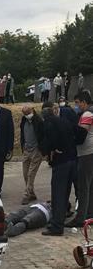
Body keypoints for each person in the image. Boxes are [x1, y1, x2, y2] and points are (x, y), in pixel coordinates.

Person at [40, 102, 77, 236]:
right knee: (65, 192)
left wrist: (52, 150)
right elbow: (78, 134)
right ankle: (60, 218)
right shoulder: (65, 121)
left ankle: (56, 226)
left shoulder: (49, 124)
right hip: (72, 160)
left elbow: (49, 141)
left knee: (58, 194)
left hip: (60, 162)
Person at [66, 92, 93, 227]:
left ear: (83, 102)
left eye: (77, 102)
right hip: (90, 152)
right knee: (90, 186)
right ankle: (89, 215)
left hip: (86, 154)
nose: (76, 106)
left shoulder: (87, 115)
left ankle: (80, 218)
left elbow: (82, 135)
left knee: (83, 187)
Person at [20, 105, 44, 204]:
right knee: (25, 173)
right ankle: (31, 193)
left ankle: (26, 194)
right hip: (26, 149)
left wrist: (42, 149)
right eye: (24, 114)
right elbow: (22, 133)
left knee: (31, 174)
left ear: (32, 110)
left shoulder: (38, 121)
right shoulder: (24, 120)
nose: (27, 115)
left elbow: (42, 135)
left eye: (28, 113)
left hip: (36, 150)